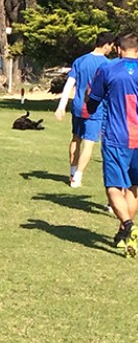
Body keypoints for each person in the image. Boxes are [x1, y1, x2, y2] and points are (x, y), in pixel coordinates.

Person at [86, 33, 138, 256]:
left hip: (116, 138)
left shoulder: (108, 69)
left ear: (118, 49)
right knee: (135, 187)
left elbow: (93, 101)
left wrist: (90, 101)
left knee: (113, 187)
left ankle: (128, 225)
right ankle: (122, 235)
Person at [54, 31, 116, 188]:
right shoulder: (108, 65)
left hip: (77, 107)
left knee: (76, 138)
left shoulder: (80, 61)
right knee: (89, 143)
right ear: (107, 44)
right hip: (96, 109)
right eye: (112, 46)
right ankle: (78, 177)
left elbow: (69, 84)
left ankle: (72, 171)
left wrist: (61, 106)